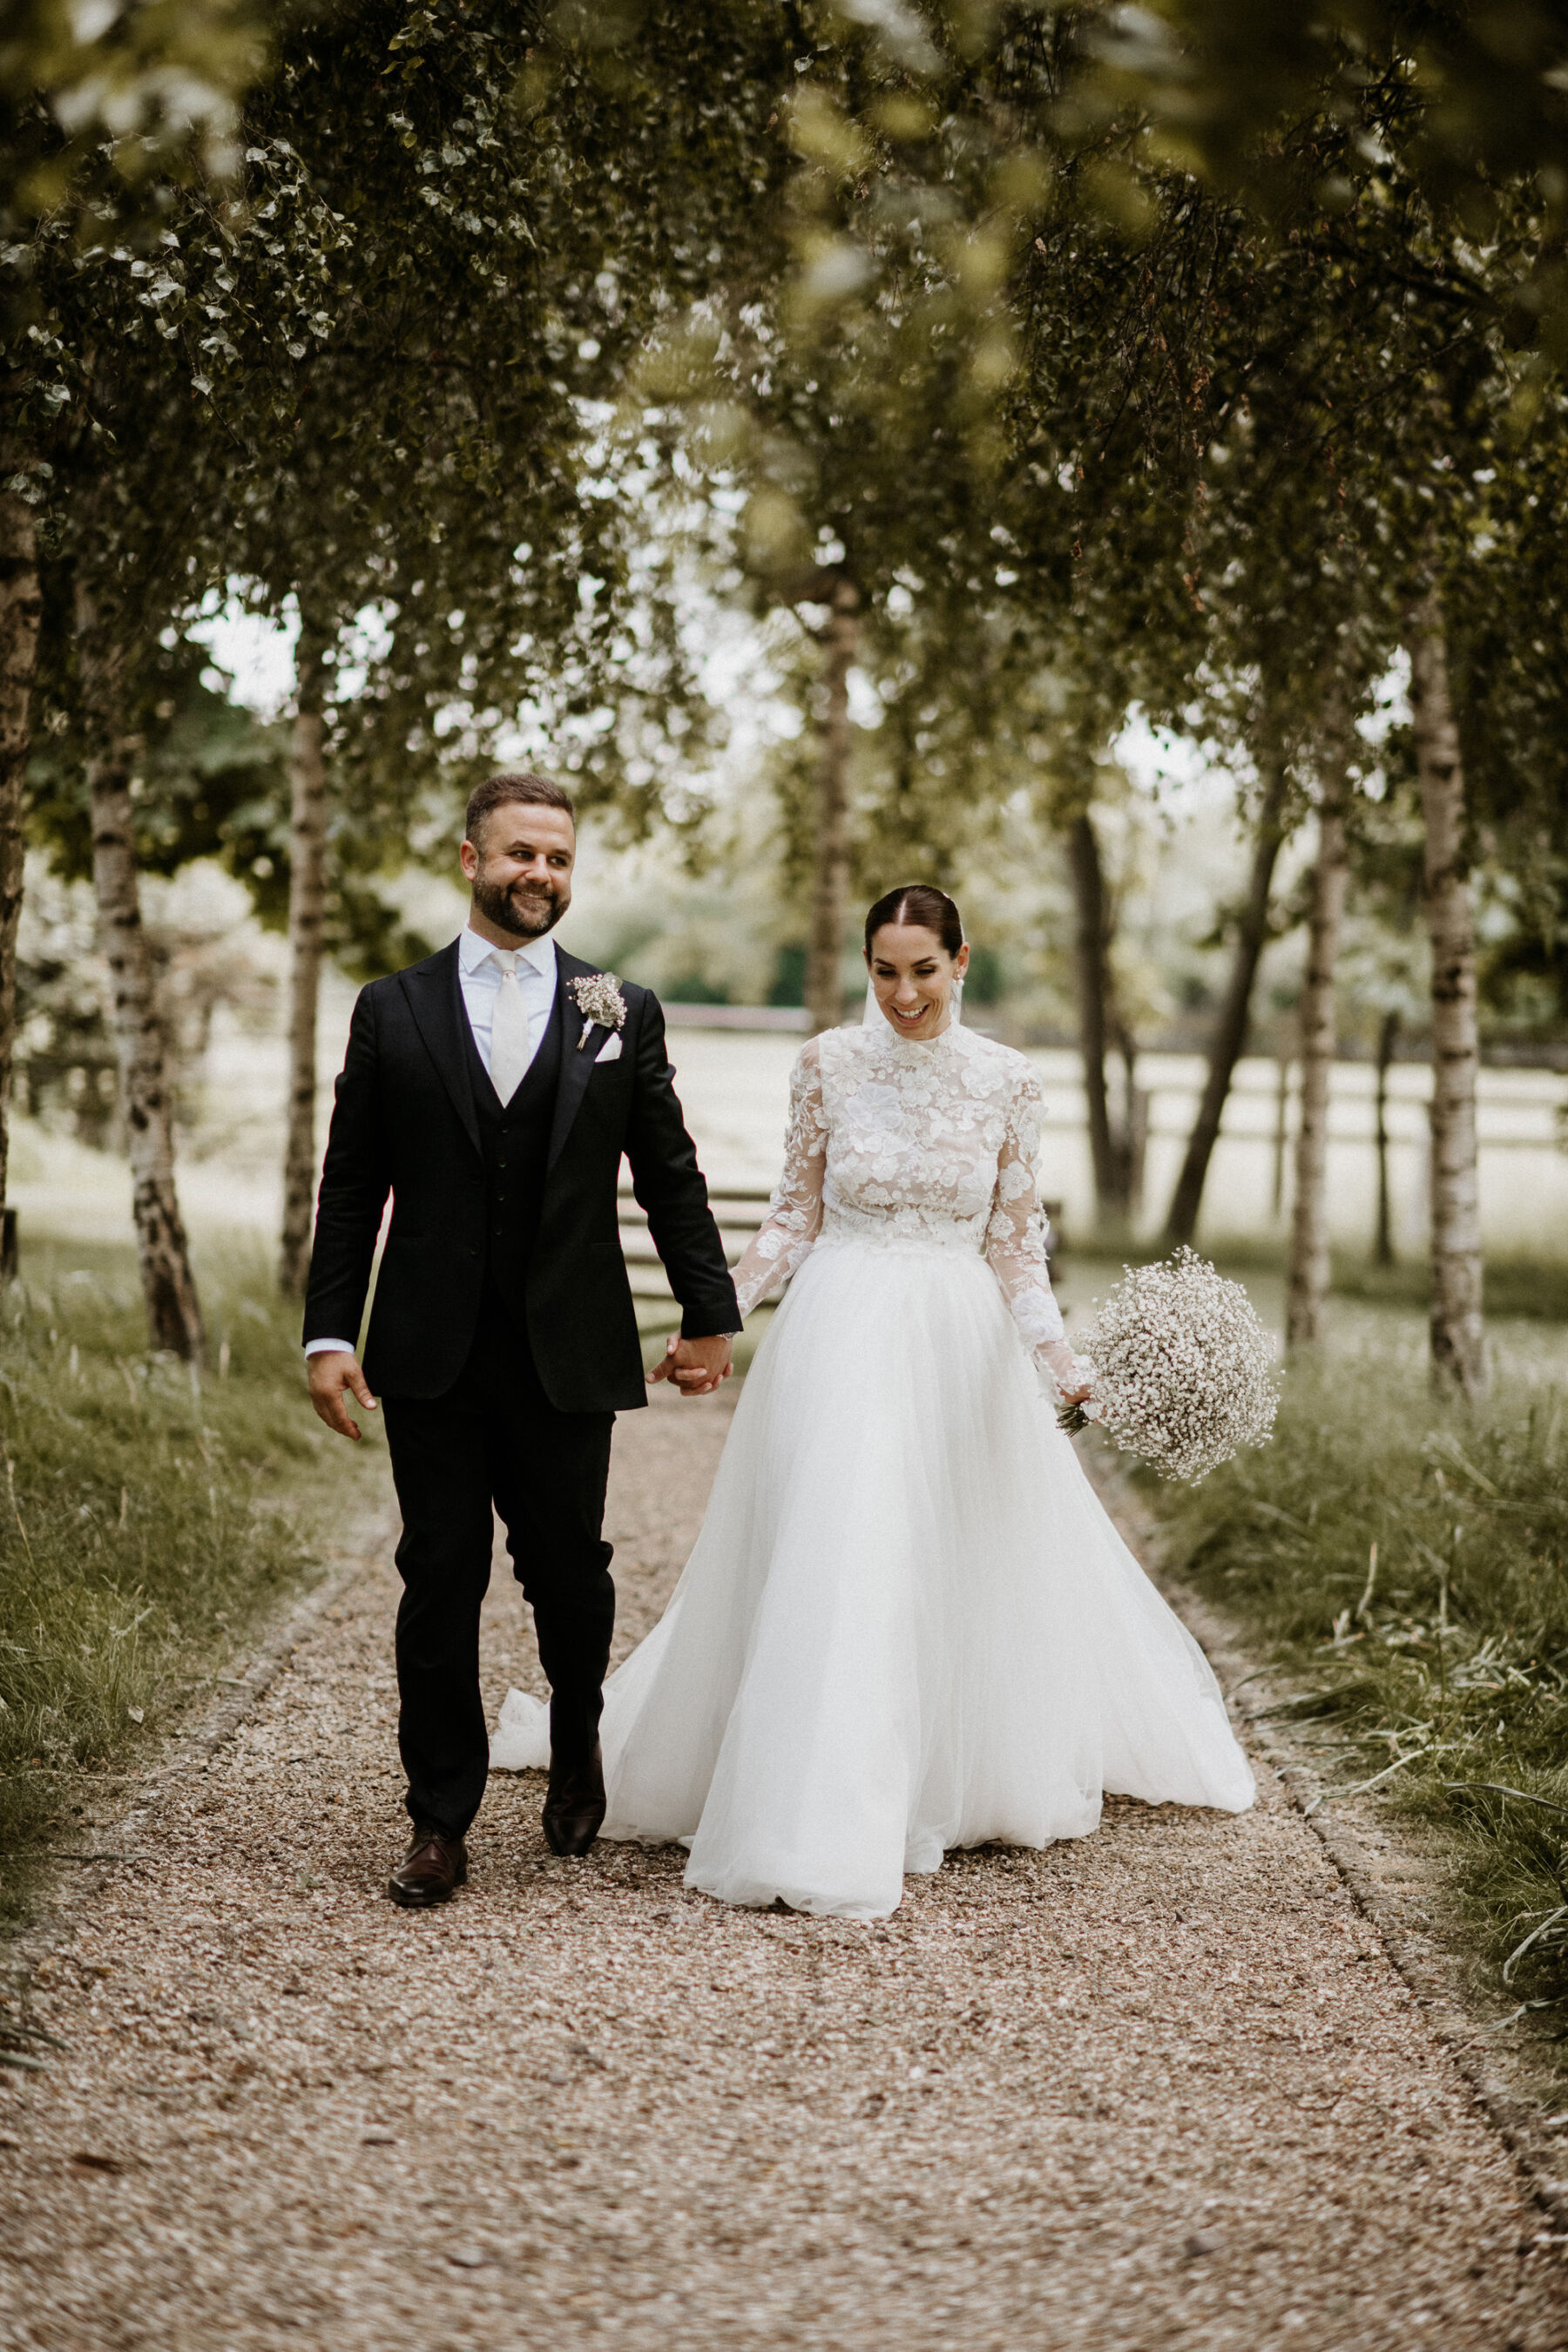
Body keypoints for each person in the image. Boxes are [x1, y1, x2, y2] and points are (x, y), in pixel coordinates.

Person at [492, 883, 1255, 1920]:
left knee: (941, 1551)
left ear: (962, 962)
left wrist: (1060, 1360)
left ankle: (935, 1773)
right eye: (884, 970)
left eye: (924, 970)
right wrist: (720, 1316)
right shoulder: (826, 1064)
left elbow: (1015, 1244)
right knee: (840, 1546)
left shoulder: (1008, 1081)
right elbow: (793, 1218)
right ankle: (818, 1792)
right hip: (839, 1332)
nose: (902, 993)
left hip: (958, 1339)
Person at [303, 772, 740, 1908]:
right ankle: (439, 1820)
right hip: (431, 1351)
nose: (539, 874)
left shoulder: (618, 1007)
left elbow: (668, 1171)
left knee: (569, 1572)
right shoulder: (391, 1009)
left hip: (568, 1349)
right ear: (470, 860)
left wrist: (709, 1312)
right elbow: (352, 1187)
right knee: (437, 1576)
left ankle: (580, 1743)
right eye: (519, 855)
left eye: (557, 857)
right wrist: (326, 1333)